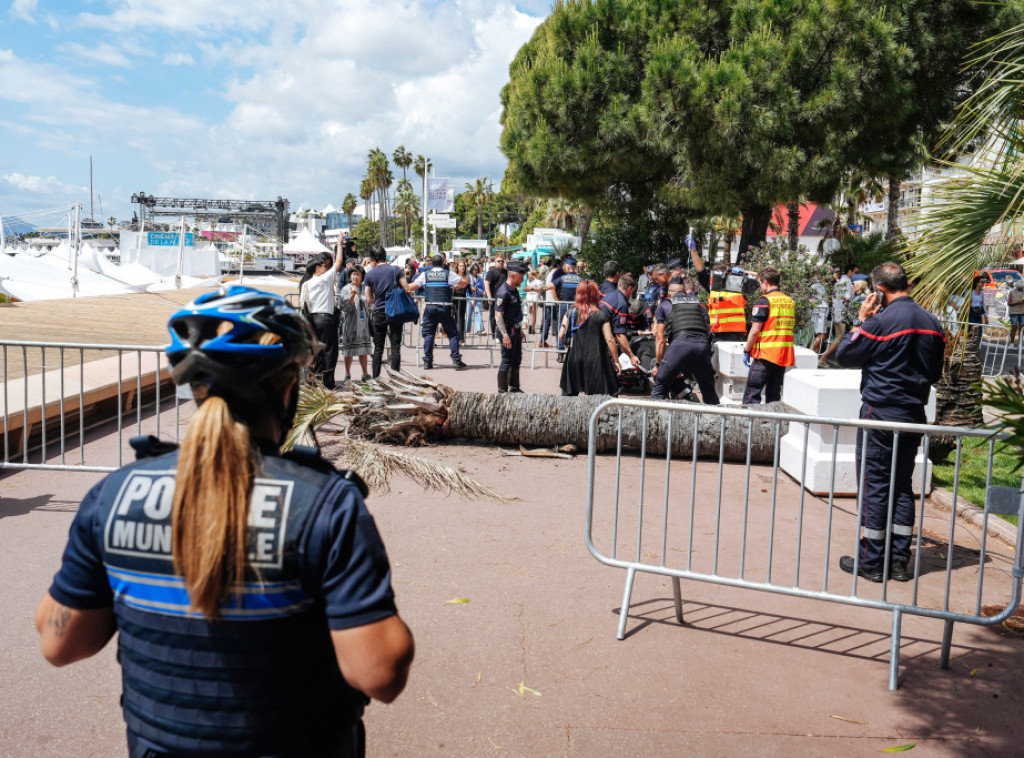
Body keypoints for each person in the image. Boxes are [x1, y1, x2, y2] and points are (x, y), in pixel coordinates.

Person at [35, 286, 414, 757]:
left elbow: (60, 643)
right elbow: (380, 674)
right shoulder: (325, 504)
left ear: (194, 389)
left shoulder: (114, 495)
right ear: (289, 389)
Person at [835, 262, 945, 582]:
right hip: (913, 414)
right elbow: (935, 373)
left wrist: (862, 321)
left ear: (879, 291)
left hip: (880, 412)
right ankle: (898, 561)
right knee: (901, 487)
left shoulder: (880, 322)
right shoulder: (932, 323)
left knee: (875, 485)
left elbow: (845, 355)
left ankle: (871, 561)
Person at [651, 279, 719, 403]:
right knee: (708, 389)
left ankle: (655, 418)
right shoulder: (698, 303)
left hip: (680, 345)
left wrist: (659, 364)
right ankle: (716, 420)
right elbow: (707, 326)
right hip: (701, 346)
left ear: (670, 292)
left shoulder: (665, 305)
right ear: (685, 293)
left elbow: (660, 339)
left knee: (660, 385)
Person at [743, 266, 795, 404]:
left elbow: (754, 331)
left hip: (765, 354)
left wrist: (747, 350)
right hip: (782, 355)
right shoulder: (789, 301)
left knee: (752, 393)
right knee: (774, 394)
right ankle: (773, 424)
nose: (760, 287)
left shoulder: (764, 301)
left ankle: (749, 424)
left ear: (765, 282)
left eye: (760, 283)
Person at [558, 279, 619, 396]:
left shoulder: (571, 312)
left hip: (574, 357)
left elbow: (561, 334)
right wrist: (616, 361)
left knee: (568, 397)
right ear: (596, 294)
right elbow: (610, 339)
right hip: (596, 360)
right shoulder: (601, 314)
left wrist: (568, 346)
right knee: (596, 398)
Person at [408, 253, 469, 370]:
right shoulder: (448, 274)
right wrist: (455, 286)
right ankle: (456, 360)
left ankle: (428, 362)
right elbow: (464, 283)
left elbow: (412, 286)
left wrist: (400, 286)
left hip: (430, 307)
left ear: (431, 263)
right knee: (452, 334)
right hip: (444, 308)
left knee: (429, 334)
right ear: (443, 263)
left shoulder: (426, 274)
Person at [364, 243, 412, 378]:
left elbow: (368, 298)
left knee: (378, 348)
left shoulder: (369, 275)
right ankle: (395, 378)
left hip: (379, 312)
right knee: (395, 346)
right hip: (395, 312)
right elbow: (407, 288)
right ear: (385, 256)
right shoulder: (395, 270)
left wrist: (378, 300)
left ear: (373, 259)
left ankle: (376, 379)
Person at [300, 251, 344, 388]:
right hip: (325, 319)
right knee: (330, 353)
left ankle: (315, 382)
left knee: (317, 352)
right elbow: (339, 261)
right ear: (317, 268)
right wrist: (339, 242)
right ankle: (328, 383)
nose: (328, 268)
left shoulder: (306, 284)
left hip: (311, 320)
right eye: (325, 265)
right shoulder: (325, 279)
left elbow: (304, 306)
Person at [495, 262, 528, 393]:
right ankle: (502, 390)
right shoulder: (503, 292)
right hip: (507, 331)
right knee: (507, 360)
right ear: (513, 275)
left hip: (515, 330)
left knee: (516, 359)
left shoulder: (514, 289)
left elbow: (515, 312)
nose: (523, 279)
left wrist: (519, 330)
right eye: (521, 276)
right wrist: (505, 335)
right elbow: (498, 316)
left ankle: (514, 387)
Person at [337, 265, 372, 382]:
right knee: (348, 351)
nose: (355, 277)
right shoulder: (345, 289)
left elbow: (371, 303)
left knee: (363, 350)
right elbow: (344, 307)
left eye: (358, 274)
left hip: (363, 325)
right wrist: (352, 296)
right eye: (353, 274)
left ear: (362, 277)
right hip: (350, 324)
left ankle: (365, 374)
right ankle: (347, 373)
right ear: (350, 276)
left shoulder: (365, 289)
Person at [600, 273, 642, 369]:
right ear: (629, 288)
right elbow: (620, 334)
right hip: (601, 339)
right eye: (632, 291)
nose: (631, 294)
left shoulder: (610, 296)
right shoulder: (621, 304)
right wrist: (631, 356)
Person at [555, 257, 583, 356]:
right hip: (576, 307)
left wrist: (556, 299)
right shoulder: (581, 280)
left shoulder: (561, 278)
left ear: (567, 267)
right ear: (575, 267)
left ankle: (560, 353)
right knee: (577, 327)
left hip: (563, 305)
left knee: (561, 327)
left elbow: (551, 286)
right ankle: (574, 350)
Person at [540, 257, 563, 348]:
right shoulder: (555, 274)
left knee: (548, 321)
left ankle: (542, 341)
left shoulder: (550, 273)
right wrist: (557, 300)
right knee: (557, 322)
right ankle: (558, 342)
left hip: (549, 301)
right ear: (558, 266)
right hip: (553, 301)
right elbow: (553, 288)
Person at [484, 255, 508, 341]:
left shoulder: (506, 272)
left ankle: (501, 334)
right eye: (499, 261)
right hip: (494, 299)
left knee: (503, 317)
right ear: (495, 262)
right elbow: (487, 284)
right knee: (493, 318)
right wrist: (489, 297)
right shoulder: (492, 272)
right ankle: (494, 336)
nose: (501, 262)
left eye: (502, 261)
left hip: (504, 299)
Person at [453, 259, 471, 333]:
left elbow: (469, 290)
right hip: (455, 298)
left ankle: (461, 336)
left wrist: (472, 299)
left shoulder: (467, 277)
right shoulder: (454, 276)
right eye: (461, 266)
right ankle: (454, 334)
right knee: (455, 316)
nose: (462, 267)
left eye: (464, 266)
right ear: (457, 267)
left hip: (463, 298)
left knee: (462, 317)